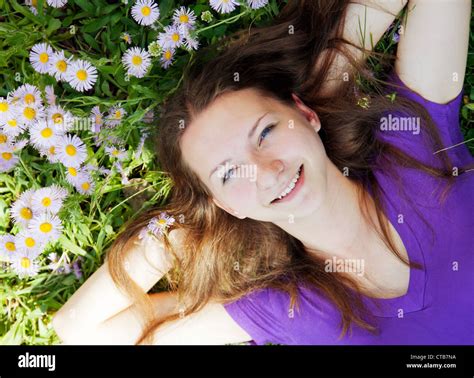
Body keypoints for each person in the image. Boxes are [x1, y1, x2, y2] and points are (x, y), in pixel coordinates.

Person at [52, 0, 473, 345]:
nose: (266, 171)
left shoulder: (413, 148)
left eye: (266, 132)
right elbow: (82, 332)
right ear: (227, 204)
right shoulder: (288, 307)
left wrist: (329, 84)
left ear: (305, 113)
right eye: (229, 174)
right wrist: (180, 231)